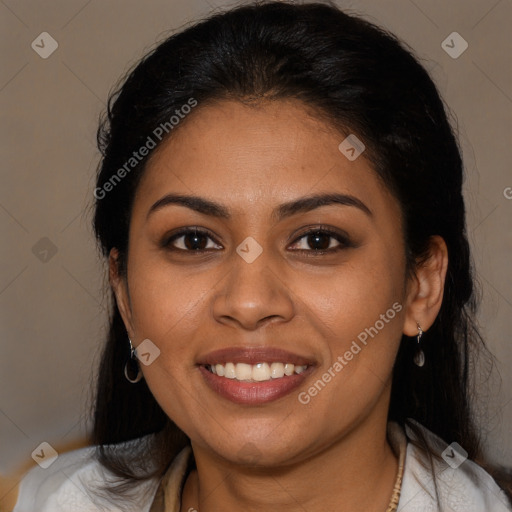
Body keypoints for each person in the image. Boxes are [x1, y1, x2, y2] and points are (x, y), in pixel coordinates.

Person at [13, 1, 512, 511]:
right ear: (124, 290)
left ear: (420, 285)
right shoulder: (51, 500)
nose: (249, 303)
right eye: (193, 240)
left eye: (318, 240)